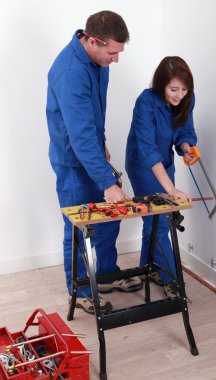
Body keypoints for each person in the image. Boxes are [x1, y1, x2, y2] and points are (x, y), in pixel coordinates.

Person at [46, 10, 142, 315]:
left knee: (108, 218)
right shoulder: (71, 71)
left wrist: (102, 143)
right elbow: (79, 136)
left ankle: (106, 275)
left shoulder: (98, 61)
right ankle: (81, 291)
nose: (115, 60)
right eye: (112, 53)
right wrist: (107, 183)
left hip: (90, 152)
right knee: (77, 228)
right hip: (73, 163)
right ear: (92, 41)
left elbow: (94, 112)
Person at [125, 56, 197, 298]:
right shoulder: (145, 102)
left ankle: (150, 267)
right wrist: (171, 189)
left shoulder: (187, 100)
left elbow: (184, 130)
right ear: (161, 84)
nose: (179, 95)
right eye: (173, 89)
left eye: (184, 90)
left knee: (155, 221)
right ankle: (171, 279)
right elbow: (147, 149)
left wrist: (186, 148)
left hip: (164, 163)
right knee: (160, 219)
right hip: (142, 164)